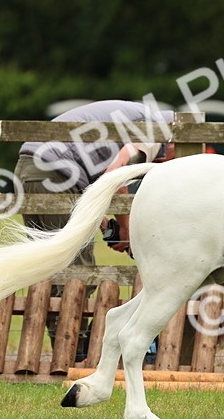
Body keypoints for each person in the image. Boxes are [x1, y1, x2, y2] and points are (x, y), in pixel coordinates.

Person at [14, 100, 174, 358]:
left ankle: (66, 351)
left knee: (49, 266)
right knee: (78, 271)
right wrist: (125, 228)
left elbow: (88, 190)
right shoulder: (160, 130)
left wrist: (105, 225)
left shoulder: (134, 118)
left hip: (31, 167)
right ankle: (73, 355)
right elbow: (117, 173)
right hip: (55, 171)